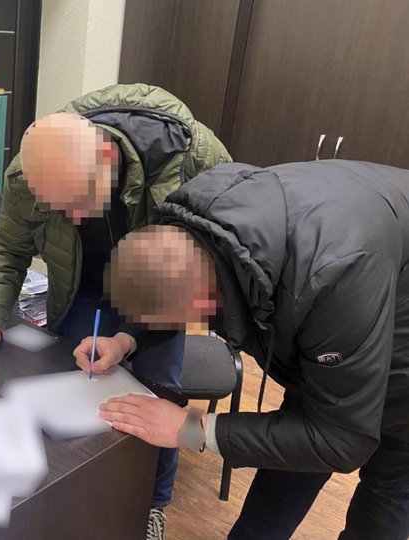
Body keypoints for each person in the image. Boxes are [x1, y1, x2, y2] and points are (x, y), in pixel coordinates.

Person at [0, 83, 231, 539]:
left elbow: (204, 269)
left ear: (106, 158)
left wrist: (128, 338)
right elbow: (9, 248)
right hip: (81, 285)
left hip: (164, 286)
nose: (74, 216)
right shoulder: (30, 173)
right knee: (74, 389)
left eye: (80, 199)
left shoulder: (192, 162)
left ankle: (152, 505)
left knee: (159, 398)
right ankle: (78, 497)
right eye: (58, 206)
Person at [99, 160, 409, 540]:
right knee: (290, 460)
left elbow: (342, 441)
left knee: (387, 490)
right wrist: (125, 340)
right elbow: (169, 284)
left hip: (397, 363)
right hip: (353, 292)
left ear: (205, 301)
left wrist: (190, 429)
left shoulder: (331, 280)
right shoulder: (196, 226)